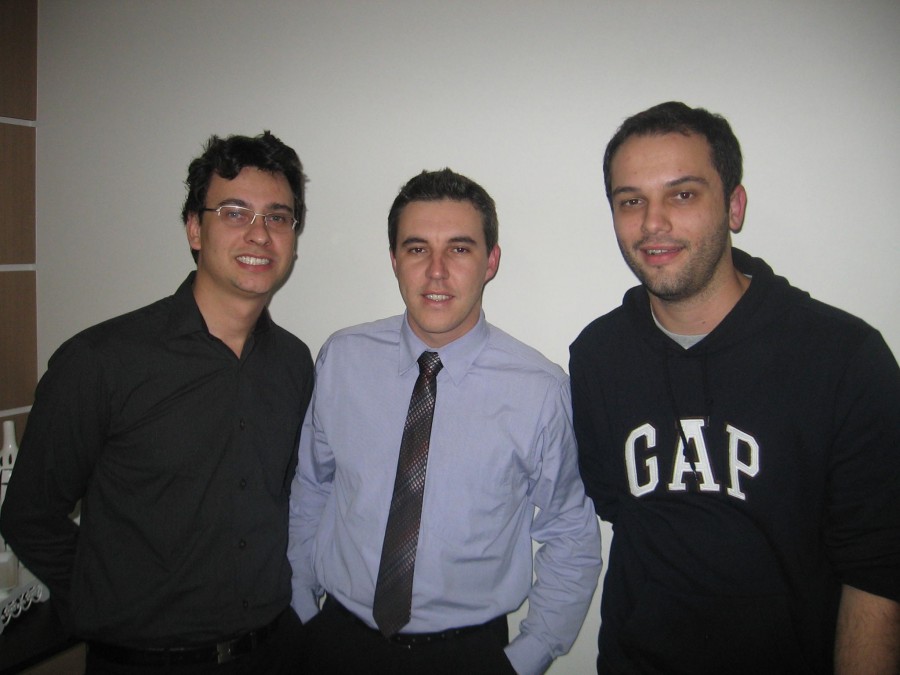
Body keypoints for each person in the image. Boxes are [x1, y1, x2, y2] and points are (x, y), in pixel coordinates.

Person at [570, 101, 900, 673]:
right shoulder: (598, 356)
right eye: (631, 201)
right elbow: (619, 507)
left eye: (682, 194)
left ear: (734, 205)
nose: (652, 223)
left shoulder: (844, 357)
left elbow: (877, 571)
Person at [0, 131, 314, 674]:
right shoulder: (101, 361)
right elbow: (29, 514)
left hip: (271, 651)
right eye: (234, 212)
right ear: (194, 228)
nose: (259, 233)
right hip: (144, 661)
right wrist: (107, 601)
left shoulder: (294, 362)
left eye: (278, 217)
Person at [288, 168, 602, 675]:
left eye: (459, 249)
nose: (436, 271)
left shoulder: (538, 391)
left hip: (467, 654)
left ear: (490, 261)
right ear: (395, 260)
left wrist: (527, 657)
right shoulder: (342, 359)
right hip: (336, 642)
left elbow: (570, 532)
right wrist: (301, 609)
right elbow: (311, 489)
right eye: (417, 249)